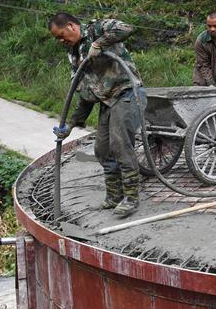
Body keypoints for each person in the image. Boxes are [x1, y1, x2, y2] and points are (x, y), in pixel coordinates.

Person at [47, 12, 146, 217]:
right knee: (102, 149)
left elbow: (127, 27)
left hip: (128, 92)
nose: (61, 40)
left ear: (72, 26)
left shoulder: (96, 29)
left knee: (120, 145)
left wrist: (100, 43)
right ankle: (114, 196)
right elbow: (85, 92)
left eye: (61, 35)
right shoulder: (74, 54)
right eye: (57, 39)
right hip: (107, 101)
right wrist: (71, 124)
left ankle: (131, 198)